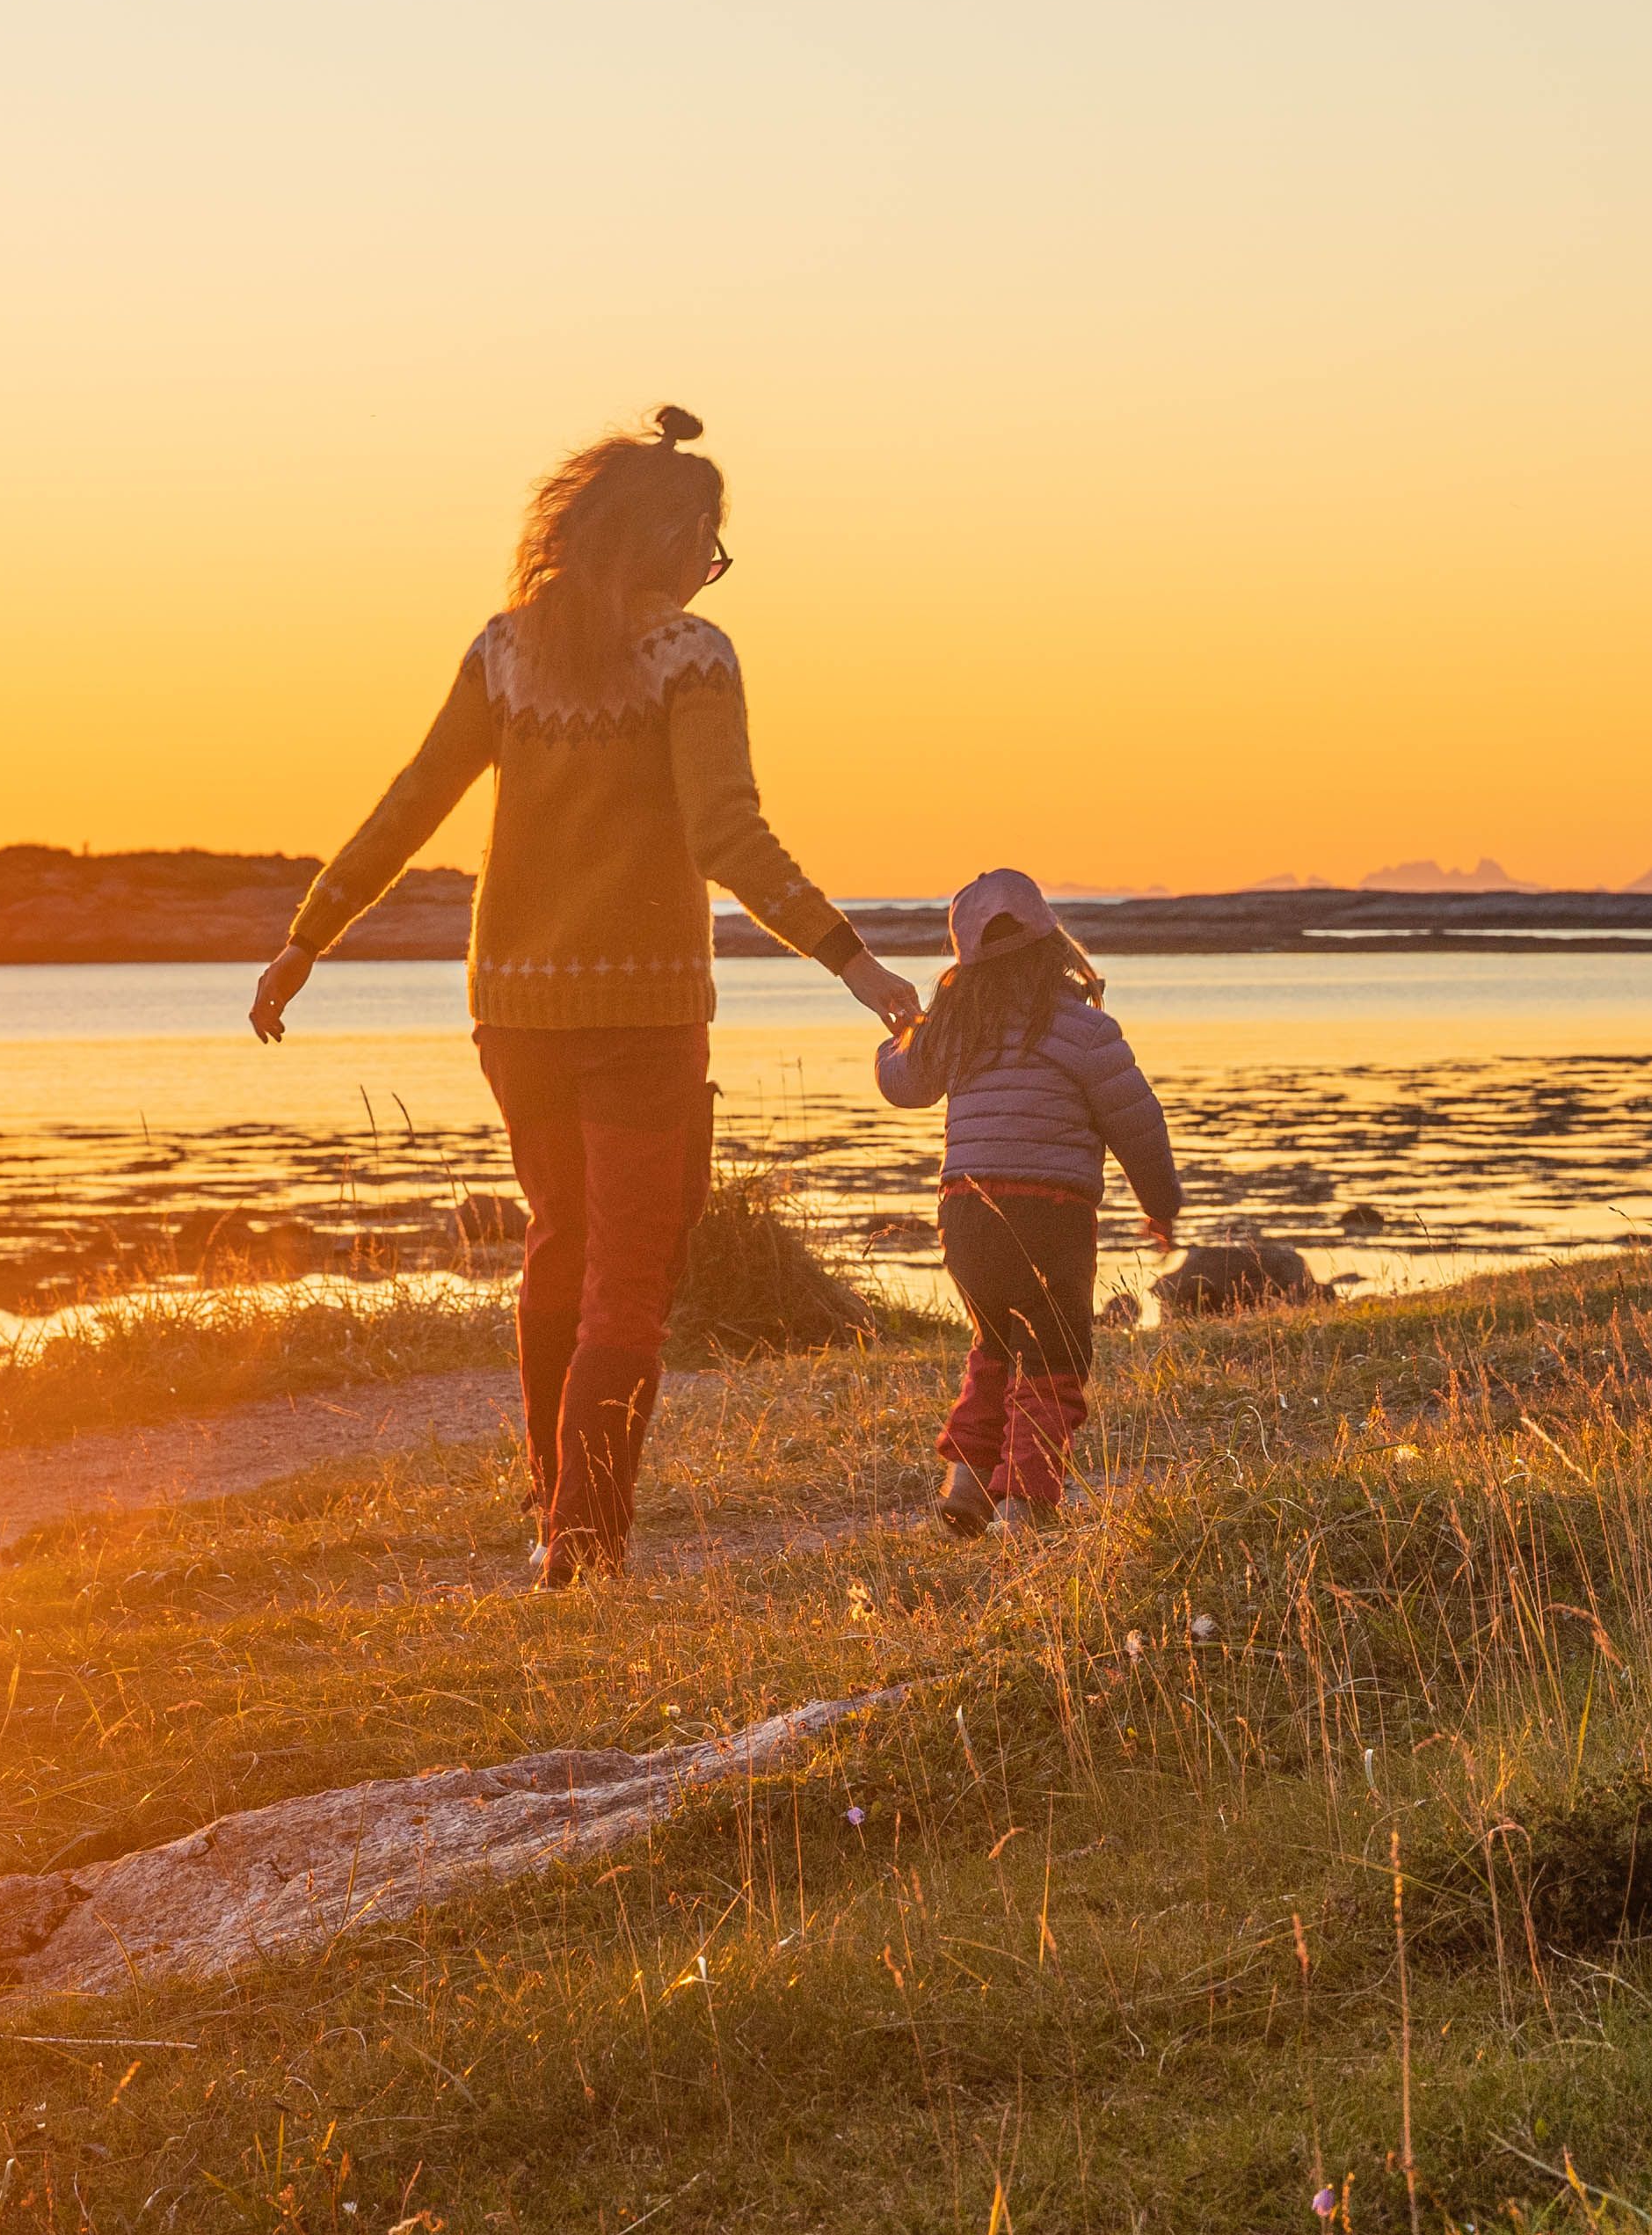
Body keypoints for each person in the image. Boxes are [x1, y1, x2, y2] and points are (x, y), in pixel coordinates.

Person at [250, 405, 921, 1583]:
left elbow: (411, 801)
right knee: (629, 1264)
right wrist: (851, 959)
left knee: (560, 1245)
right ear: (673, 540)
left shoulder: (504, 651)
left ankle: (555, 1512)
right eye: (707, 548)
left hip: (513, 1008)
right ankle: (586, 1534)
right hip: (647, 1011)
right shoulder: (691, 655)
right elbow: (728, 832)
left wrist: (307, 938)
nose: (707, 573)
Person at [871, 867, 1176, 1533]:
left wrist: (898, 1035)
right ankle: (1026, 1506)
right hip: (1052, 1214)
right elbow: (1137, 1123)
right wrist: (1161, 1203)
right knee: (1054, 1355)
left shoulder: (952, 1030)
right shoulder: (1086, 1031)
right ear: (1055, 945)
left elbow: (903, 1084)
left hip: (966, 1212)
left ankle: (969, 1482)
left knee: (995, 1343)